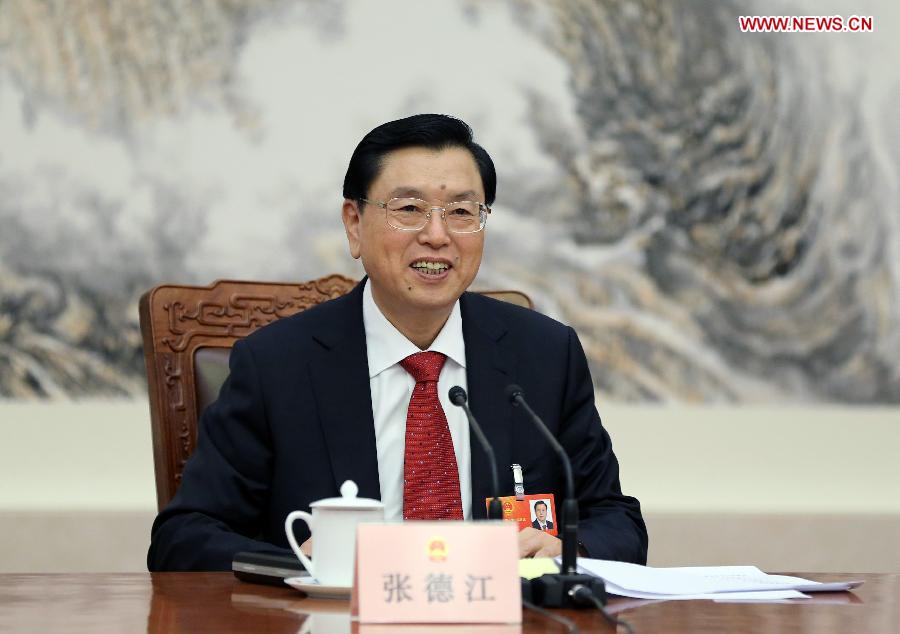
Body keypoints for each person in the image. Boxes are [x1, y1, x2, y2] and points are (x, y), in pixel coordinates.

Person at [147, 114, 647, 571]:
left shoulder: (543, 356)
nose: (436, 235)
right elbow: (183, 538)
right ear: (354, 224)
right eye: (409, 208)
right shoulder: (277, 365)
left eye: (461, 212)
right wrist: (300, 563)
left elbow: (616, 519)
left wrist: (571, 548)